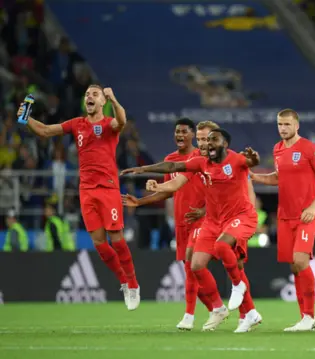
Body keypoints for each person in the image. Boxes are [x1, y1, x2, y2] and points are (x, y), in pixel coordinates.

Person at [121, 129, 261, 333]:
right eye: (204, 140)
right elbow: (173, 168)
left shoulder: (237, 160)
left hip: (238, 217)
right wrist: (144, 169)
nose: (207, 144)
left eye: (212, 140)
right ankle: (226, 309)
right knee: (195, 264)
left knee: (227, 253)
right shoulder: (200, 163)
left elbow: (251, 163)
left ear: (224, 144)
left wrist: (254, 159)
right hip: (213, 222)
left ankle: (240, 297)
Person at [18, 85, 140, 310]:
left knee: (117, 239)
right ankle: (123, 281)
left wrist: (114, 98)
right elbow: (45, 131)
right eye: (86, 94)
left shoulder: (108, 124)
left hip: (108, 188)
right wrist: (26, 119)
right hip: (86, 191)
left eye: (94, 94)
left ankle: (133, 283)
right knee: (100, 244)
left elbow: (121, 121)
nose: (89, 97)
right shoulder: (77, 124)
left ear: (102, 101)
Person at [122, 119, 216, 330]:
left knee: (196, 268)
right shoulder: (170, 160)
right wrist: (141, 201)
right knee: (192, 272)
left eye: (184, 131)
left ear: (193, 134)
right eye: (177, 132)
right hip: (182, 223)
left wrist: (206, 209)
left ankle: (190, 316)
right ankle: (216, 310)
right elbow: (168, 190)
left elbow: (217, 188)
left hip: (203, 219)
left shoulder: (202, 158)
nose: (180, 135)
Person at [250, 109, 315, 332]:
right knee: (295, 267)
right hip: (284, 217)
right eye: (279, 124)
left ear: (297, 126)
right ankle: (304, 317)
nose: (283, 128)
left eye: (287, 124)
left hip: (306, 215)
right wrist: (255, 177)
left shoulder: (309, 148)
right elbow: (278, 178)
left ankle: (310, 316)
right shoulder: (277, 149)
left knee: (300, 261)